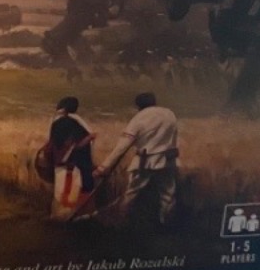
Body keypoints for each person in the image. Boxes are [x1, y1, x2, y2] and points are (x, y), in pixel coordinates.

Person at [97, 91, 178, 226]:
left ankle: (120, 220)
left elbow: (122, 146)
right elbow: (173, 137)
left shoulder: (139, 118)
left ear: (138, 105)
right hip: (167, 160)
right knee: (168, 194)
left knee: (131, 193)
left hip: (145, 162)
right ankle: (166, 223)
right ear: (154, 101)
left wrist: (104, 167)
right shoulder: (169, 114)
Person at [45, 96, 97, 220]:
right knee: (72, 192)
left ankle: (60, 217)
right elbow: (75, 145)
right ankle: (70, 217)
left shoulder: (57, 122)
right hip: (74, 164)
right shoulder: (73, 122)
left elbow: (55, 144)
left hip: (61, 163)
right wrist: (89, 138)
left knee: (62, 192)